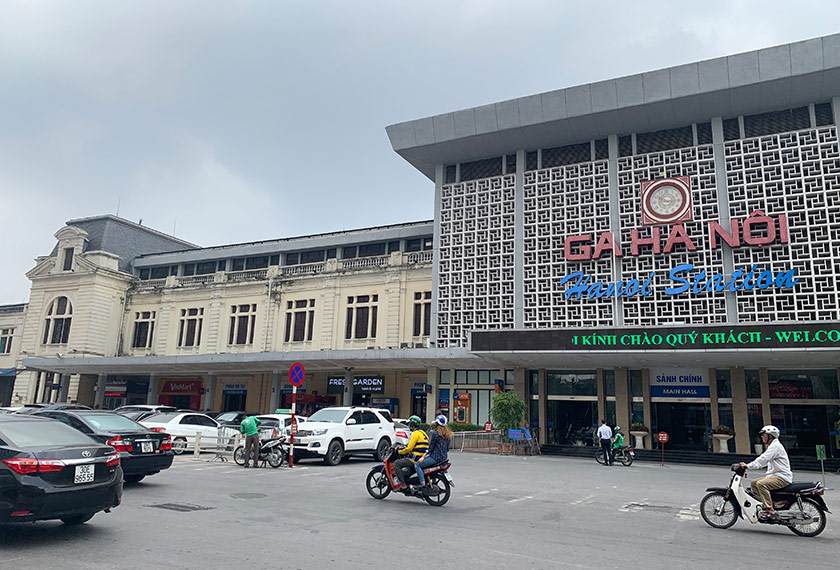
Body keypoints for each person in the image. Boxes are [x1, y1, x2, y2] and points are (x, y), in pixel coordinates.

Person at [738, 425, 792, 521]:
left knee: (761, 484)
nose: (762, 437)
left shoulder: (775, 446)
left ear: (770, 436)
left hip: (782, 477)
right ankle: (765, 503)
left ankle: (770, 509)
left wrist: (748, 466)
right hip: (775, 476)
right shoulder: (772, 446)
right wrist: (751, 466)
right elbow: (764, 462)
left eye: (764, 435)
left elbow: (763, 459)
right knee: (754, 483)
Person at [415, 414, 452, 493]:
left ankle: (422, 483)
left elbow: (430, 448)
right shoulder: (448, 435)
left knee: (417, 465)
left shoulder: (436, 434)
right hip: (444, 458)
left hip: (435, 458)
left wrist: (423, 457)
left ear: (437, 424)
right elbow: (447, 449)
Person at [394, 415, 428, 490]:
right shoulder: (424, 433)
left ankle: (403, 484)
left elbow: (409, 448)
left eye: (410, 424)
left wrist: (399, 451)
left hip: (415, 458)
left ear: (412, 424)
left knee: (396, 464)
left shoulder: (415, 434)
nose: (409, 426)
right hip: (423, 458)